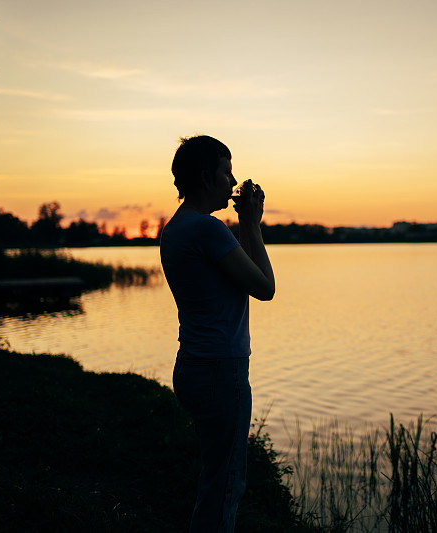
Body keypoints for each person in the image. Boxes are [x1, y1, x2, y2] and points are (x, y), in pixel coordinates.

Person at [159, 135, 275, 532]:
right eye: (226, 171)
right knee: (226, 485)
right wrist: (251, 225)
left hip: (193, 365)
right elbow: (264, 287)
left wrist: (243, 227)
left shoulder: (176, 228)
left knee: (214, 479)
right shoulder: (208, 229)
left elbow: (235, 277)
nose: (233, 180)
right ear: (207, 176)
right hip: (219, 371)